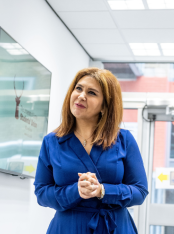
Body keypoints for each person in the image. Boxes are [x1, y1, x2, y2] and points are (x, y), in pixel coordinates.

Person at [34, 67, 148, 234]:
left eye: (92, 93)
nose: (81, 96)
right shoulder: (51, 142)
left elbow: (140, 191)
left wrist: (103, 190)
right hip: (68, 228)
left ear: (104, 106)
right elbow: (42, 193)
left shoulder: (124, 140)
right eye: (78, 88)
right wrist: (76, 191)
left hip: (114, 227)